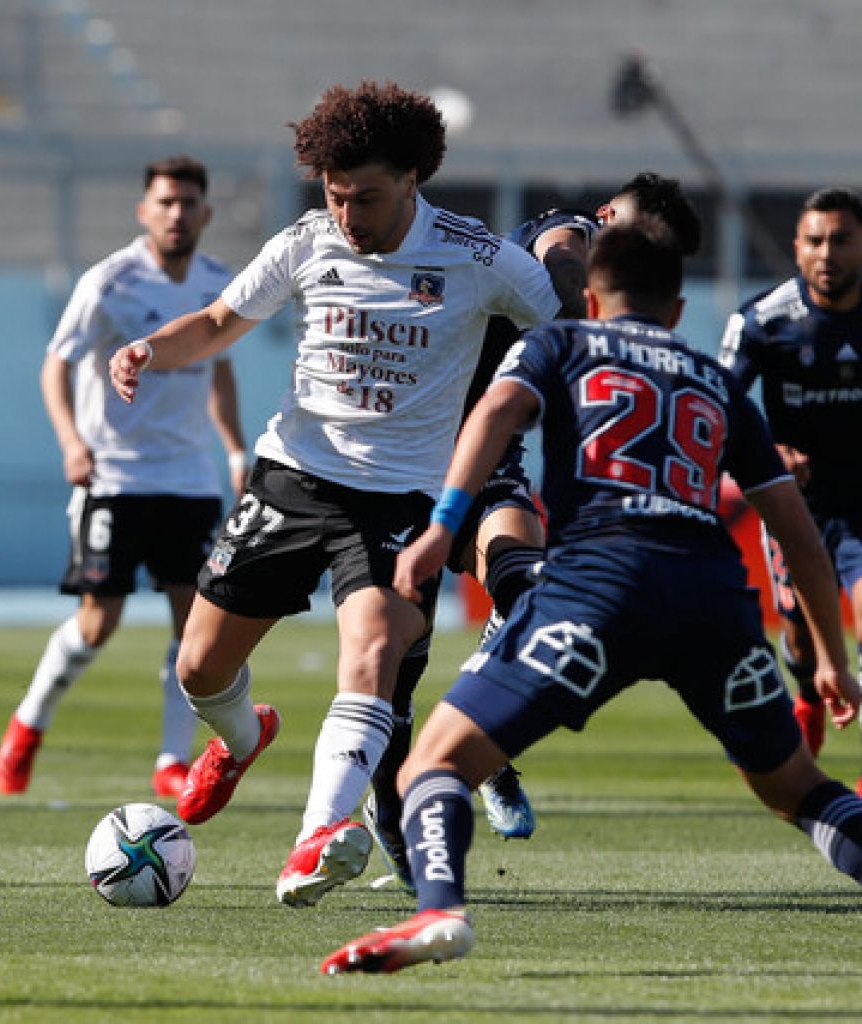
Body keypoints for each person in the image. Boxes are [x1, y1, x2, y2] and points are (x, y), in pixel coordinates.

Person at [322, 220, 862, 975]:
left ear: (594, 301)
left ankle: (440, 910)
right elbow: (799, 536)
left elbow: (495, 412)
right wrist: (833, 659)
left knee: (431, 768)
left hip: (596, 587)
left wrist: (445, 525)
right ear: (677, 310)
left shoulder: (561, 343)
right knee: (801, 790)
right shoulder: (715, 378)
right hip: (714, 600)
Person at [108, 80, 563, 908]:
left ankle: (318, 832)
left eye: (367, 197)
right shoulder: (309, 241)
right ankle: (242, 739)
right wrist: (148, 349)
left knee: (374, 654)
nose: (348, 213)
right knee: (200, 668)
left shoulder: (476, 255)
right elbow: (215, 323)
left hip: (403, 502)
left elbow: (563, 333)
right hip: (295, 476)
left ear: (413, 181)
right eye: (334, 193)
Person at [364, 175, 702, 891]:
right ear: (609, 218)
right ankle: (388, 804)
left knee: (530, 590)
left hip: (487, 465)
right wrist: (603, 322)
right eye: (638, 236)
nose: (640, 255)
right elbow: (561, 259)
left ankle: (482, 749)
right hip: (404, 461)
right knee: (396, 656)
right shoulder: (564, 235)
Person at [0, 155, 248, 797]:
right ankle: (28, 724)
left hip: (188, 481)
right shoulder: (110, 281)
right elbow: (56, 365)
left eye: (188, 203)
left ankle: (171, 759)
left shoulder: (219, 284)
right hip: (112, 477)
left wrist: (235, 448)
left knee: (194, 628)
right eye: (164, 202)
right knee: (96, 623)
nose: (176, 213)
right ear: (144, 211)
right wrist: (70, 442)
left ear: (205, 213)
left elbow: (217, 365)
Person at [719, 187, 862, 772]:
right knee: (802, 640)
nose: (827, 253)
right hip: (797, 507)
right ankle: (806, 693)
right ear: (798, 248)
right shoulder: (763, 319)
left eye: (842, 240)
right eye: (815, 241)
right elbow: (719, 409)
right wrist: (769, 451)